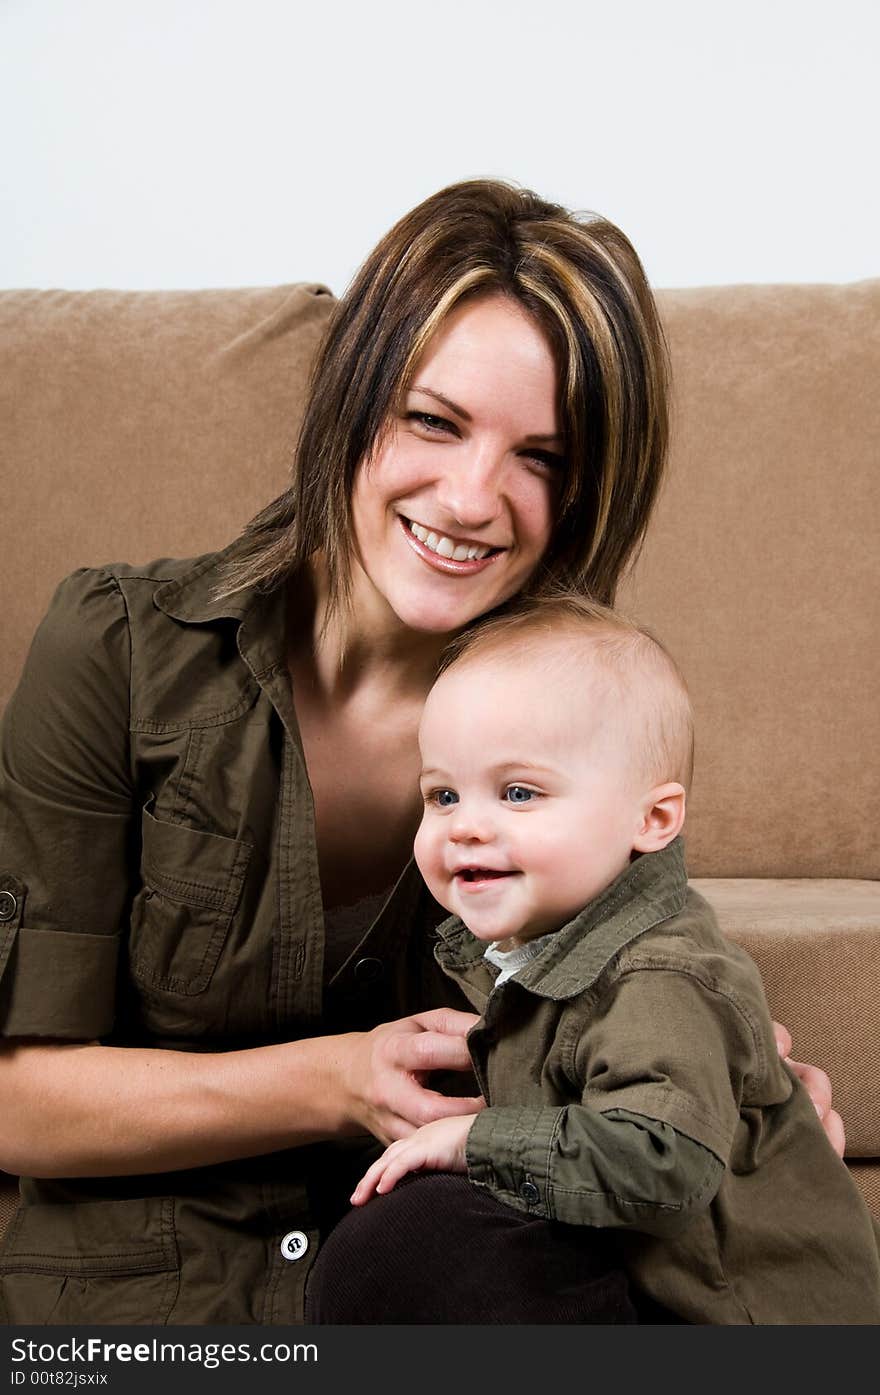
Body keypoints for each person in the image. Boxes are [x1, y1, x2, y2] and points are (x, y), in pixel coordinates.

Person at [0, 180, 841, 1326]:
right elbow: (18, 1102)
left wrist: (736, 1092)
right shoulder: (118, 646)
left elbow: (641, 985)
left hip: (432, 1274)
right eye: (432, 422)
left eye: (540, 458)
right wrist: (343, 1080)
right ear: (351, 402)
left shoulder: (578, 709)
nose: (471, 496)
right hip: (143, 1297)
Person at [347, 595, 880, 1324]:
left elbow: (663, 1159)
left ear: (651, 820)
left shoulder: (660, 976)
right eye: (442, 794)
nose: (465, 825)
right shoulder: (524, 952)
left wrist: (476, 1139)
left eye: (518, 791)